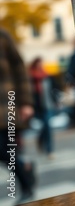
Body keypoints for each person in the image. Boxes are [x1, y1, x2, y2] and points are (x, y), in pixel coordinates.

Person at [0, 28, 36, 203]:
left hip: (6, 106)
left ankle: (27, 186)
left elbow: (20, 70)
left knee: (6, 151)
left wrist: (25, 102)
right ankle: (26, 170)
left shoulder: (2, 35)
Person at [29, 57, 55, 159]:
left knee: (47, 126)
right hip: (37, 106)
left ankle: (49, 150)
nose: (40, 65)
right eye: (38, 63)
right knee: (45, 126)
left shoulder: (46, 76)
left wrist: (55, 101)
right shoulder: (31, 77)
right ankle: (41, 140)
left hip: (48, 105)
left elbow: (52, 90)